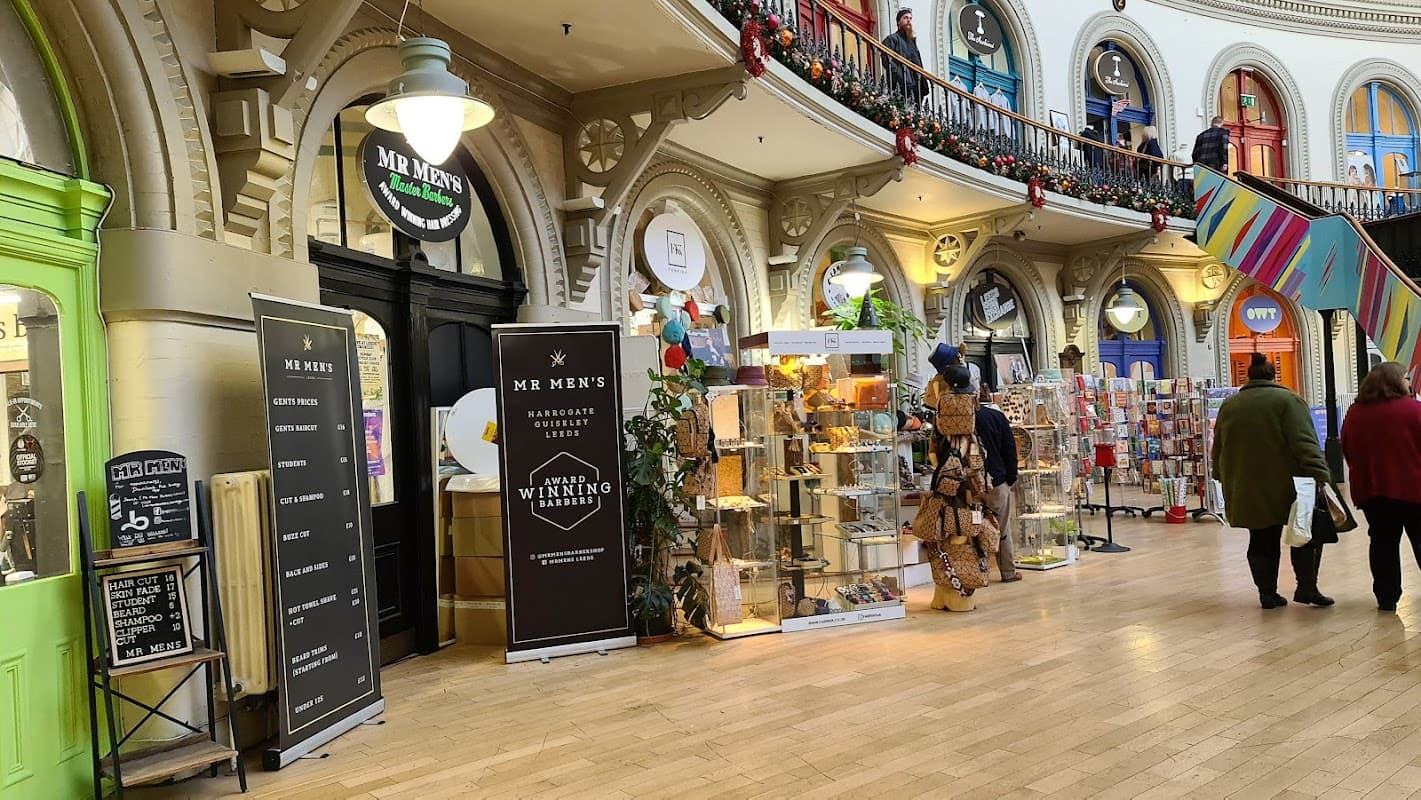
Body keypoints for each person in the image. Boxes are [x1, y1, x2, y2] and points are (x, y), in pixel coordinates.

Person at [1211, 353, 1334, 609]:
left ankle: (1267, 593)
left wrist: (1221, 476)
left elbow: (1219, 447)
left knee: (1260, 539)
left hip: (1247, 485)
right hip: (1290, 485)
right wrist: (1321, 474)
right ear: (1272, 375)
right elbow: (1304, 442)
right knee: (1304, 535)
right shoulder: (1288, 401)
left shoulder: (1230, 405)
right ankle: (1306, 587)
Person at [1341, 362, 1421, 612]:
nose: (1409, 383)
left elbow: (1347, 448)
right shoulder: (1413, 410)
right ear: (1397, 381)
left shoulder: (1355, 413)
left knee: (1382, 543)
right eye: (1406, 378)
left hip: (1373, 490)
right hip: (1413, 489)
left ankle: (1387, 597)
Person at [976, 394, 1020, 582]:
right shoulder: (995, 417)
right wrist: (1011, 476)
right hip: (997, 480)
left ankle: (976, 572)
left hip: (969, 483)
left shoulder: (954, 420)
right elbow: (1009, 448)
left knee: (971, 528)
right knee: (1001, 528)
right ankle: (1007, 571)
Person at [881, 9, 928, 104]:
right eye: (905, 18)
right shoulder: (892, 39)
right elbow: (887, 60)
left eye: (910, 18)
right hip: (900, 86)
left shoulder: (912, 43)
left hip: (915, 88)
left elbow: (918, 64)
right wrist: (901, 78)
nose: (909, 20)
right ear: (899, 22)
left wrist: (922, 84)